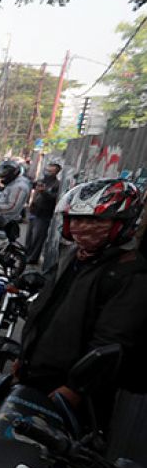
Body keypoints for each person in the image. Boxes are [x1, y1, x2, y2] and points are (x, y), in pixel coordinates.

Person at [17, 179, 147, 427]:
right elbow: (47, 309)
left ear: (122, 224)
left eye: (95, 221)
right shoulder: (73, 256)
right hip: (36, 376)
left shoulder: (129, 273)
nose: (82, 227)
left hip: (72, 395)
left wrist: (74, 389)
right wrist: (24, 358)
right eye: (76, 219)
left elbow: (112, 342)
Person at [26, 163, 62, 265]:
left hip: (44, 215)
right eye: (47, 170)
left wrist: (44, 192)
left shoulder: (56, 184)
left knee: (37, 238)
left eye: (51, 171)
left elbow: (54, 198)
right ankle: (26, 256)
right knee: (29, 237)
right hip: (34, 212)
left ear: (56, 173)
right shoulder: (41, 181)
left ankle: (33, 258)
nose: (47, 173)